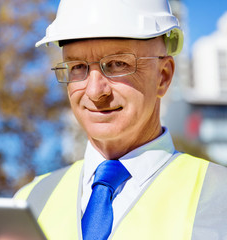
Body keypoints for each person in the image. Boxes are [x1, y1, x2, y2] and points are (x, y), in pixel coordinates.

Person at [14, 0, 227, 239]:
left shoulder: (220, 198)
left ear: (163, 76)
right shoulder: (29, 200)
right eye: (77, 66)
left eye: (118, 64)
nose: (95, 91)